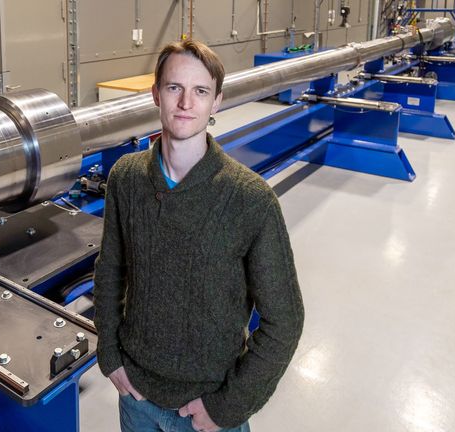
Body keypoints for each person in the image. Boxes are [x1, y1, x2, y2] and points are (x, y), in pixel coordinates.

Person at [93, 39, 304, 432]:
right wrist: (109, 353)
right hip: (136, 398)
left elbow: (285, 321)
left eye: (200, 91)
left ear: (216, 102)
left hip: (208, 407)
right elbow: (110, 270)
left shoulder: (250, 200)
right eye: (175, 88)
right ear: (156, 94)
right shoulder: (125, 178)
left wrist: (228, 406)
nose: (186, 103)